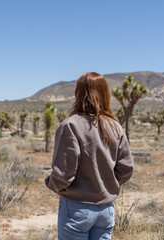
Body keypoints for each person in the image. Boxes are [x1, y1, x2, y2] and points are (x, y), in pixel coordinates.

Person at [45, 72, 134, 240]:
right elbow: (126, 169)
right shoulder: (115, 127)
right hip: (106, 208)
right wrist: (107, 184)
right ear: (105, 93)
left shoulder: (70, 126)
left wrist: (52, 184)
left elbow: (64, 173)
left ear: (78, 93)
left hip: (76, 208)